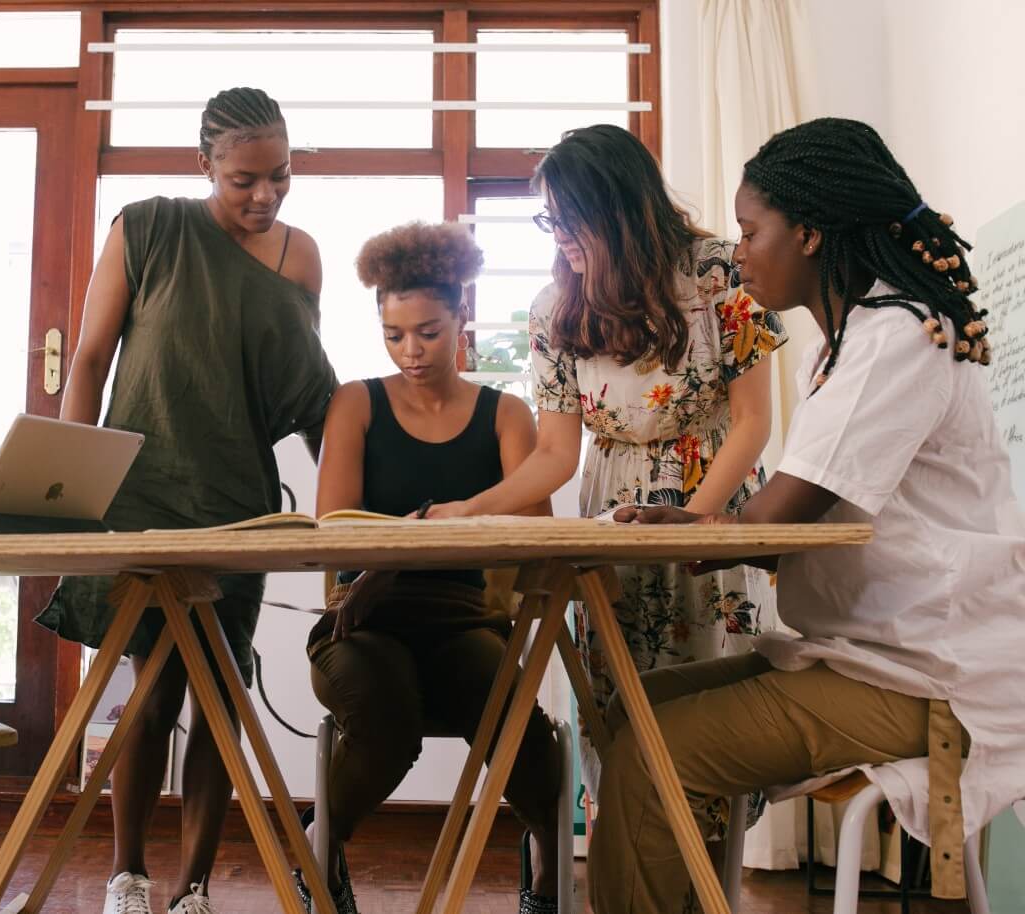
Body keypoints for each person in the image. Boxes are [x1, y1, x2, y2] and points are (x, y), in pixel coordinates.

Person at [590, 117, 1025, 914]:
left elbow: (785, 514)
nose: (742, 249)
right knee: (633, 708)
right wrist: (713, 529)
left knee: (654, 753)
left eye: (753, 231)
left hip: (930, 674)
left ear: (812, 233)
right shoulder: (861, 337)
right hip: (874, 651)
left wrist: (704, 531)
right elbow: (796, 523)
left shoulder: (895, 335)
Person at [423, 124, 787, 824]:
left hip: (709, 506)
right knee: (615, 706)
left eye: (569, 218)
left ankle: (709, 887)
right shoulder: (554, 309)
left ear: (619, 207)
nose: (556, 235)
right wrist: (472, 508)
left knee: (712, 710)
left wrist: (690, 527)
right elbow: (556, 453)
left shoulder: (722, 273)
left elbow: (751, 422)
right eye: (548, 218)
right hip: (613, 513)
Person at [35, 87, 337, 914]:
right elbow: (91, 359)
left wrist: (351, 508)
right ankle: (126, 877)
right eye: (244, 178)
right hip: (143, 492)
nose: (264, 195)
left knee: (219, 693)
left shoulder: (300, 257)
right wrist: (67, 488)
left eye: (279, 176)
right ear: (203, 164)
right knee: (153, 686)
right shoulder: (148, 226)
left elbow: (311, 394)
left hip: (239, 502)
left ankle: (193, 887)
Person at [300, 222, 561, 914]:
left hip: (463, 623)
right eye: (394, 335)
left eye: (428, 332)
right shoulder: (355, 404)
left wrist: (464, 519)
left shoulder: (507, 414)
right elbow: (335, 540)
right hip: (363, 624)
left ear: (462, 317)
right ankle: (313, 852)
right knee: (388, 718)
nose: (411, 352)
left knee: (527, 739)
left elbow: (536, 537)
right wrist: (413, 536)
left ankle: (543, 861)